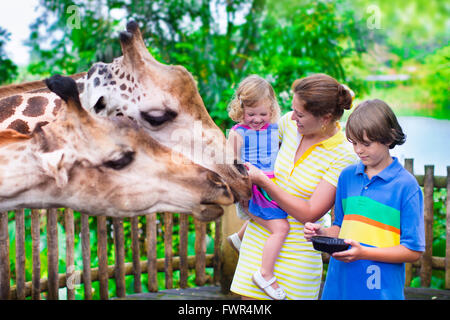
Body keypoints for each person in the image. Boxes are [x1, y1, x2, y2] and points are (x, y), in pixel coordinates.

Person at [230, 73, 357, 300]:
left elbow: (310, 212)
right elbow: (254, 138)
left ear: (326, 118)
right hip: (259, 240)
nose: (292, 118)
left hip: (298, 252)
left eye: (300, 114)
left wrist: (263, 182)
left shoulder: (343, 155)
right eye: (293, 110)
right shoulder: (289, 124)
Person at [304, 99, 425, 300]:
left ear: (388, 139)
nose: (358, 150)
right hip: (339, 285)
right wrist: (323, 233)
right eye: (354, 143)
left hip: (379, 290)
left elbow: (413, 251)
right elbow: (340, 226)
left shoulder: (406, 186)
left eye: (366, 144)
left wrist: (364, 253)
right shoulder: (347, 177)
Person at [226, 75, 289, 300]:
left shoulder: (273, 128)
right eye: (251, 114)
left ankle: (239, 238)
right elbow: (231, 167)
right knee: (281, 228)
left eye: (263, 114)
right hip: (253, 189)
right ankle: (265, 274)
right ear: (240, 109)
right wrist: (241, 194)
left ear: (271, 109)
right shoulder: (238, 133)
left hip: (269, 185)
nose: (257, 119)